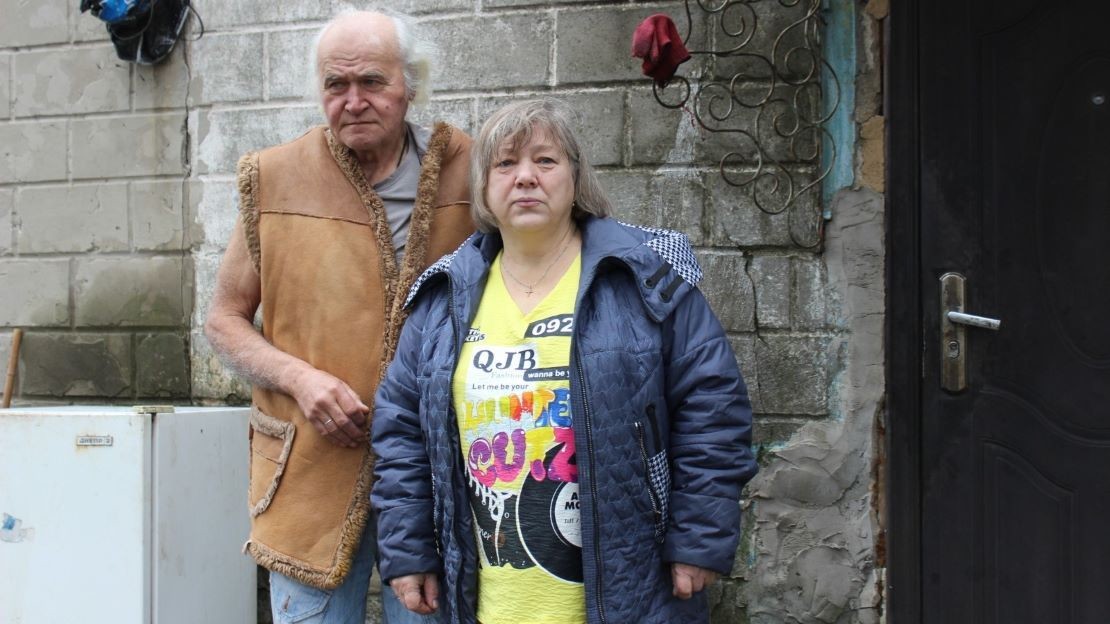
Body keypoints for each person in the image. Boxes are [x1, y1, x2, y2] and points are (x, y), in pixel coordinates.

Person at [371, 99, 758, 624]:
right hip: (485, 600)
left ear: (575, 177)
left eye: (545, 161)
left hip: (630, 591)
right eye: (506, 164)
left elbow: (712, 407)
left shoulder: (643, 275)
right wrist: (409, 548)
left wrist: (698, 537)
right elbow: (401, 432)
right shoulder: (444, 295)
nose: (525, 177)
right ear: (484, 186)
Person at [204, 9, 473, 623]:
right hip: (307, 472)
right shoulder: (272, 178)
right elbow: (223, 319)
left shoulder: (470, 170)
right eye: (335, 84)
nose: (353, 101)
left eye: (372, 82)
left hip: (433, 478)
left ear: (411, 85)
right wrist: (301, 379)